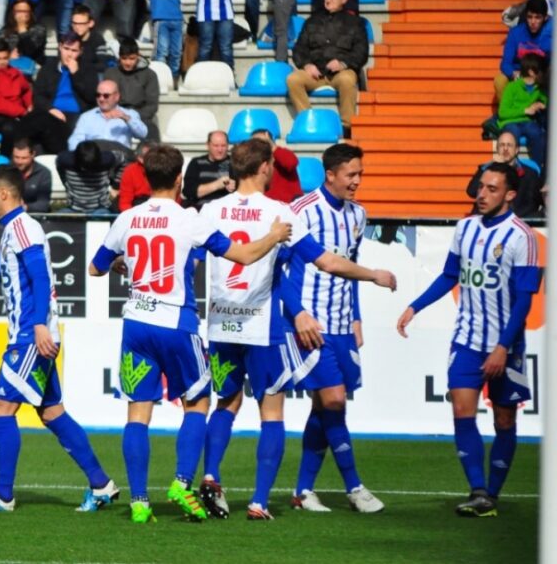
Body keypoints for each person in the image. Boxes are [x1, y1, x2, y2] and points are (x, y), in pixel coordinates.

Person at [88, 144, 294, 523]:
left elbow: (95, 269)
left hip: (136, 324)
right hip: (176, 325)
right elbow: (245, 256)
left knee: (137, 412)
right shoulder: (191, 219)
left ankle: (138, 502)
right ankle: (182, 482)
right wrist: (274, 235)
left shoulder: (127, 219)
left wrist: (124, 262)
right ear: (180, 179)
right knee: (198, 403)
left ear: (146, 177)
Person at [199, 139, 396, 519]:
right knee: (271, 414)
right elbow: (326, 262)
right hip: (262, 325)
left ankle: (211, 477)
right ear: (263, 167)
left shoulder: (211, 209)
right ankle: (258, 501)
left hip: (222, 322)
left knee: (226, 403)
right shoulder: (281, 212)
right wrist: (373, 275)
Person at [0, 164, 119, 513]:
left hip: (29, 336)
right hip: (32, 334)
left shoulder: (24, 228)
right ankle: (102, 485)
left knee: (1, 408)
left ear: (3, 194)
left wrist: (38, 325)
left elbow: (39, 278)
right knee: (52, 413)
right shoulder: (13, 230)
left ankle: (3, 497)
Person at [397, 162, 539, 518]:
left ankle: (492, 491)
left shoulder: (522, 236)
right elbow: (449, 276)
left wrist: (503, 348)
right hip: (466, 340)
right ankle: (478, 491)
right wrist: (415, 306)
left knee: (504, 421)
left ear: (509, 195)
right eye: (480, 187)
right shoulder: (464, 228)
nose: (482, 194)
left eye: (492, 189)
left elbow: (523, 299)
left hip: (506, 346)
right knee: (462, 410)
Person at [287, 143, 385, 514]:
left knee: (325, 408)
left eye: (360, 174)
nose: (357, 181)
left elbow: (350, 266)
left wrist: (356, 315)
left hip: (344, 324)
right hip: (312, 324)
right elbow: (280, 270)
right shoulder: (301, 212)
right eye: (351, 174)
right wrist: (297, 312)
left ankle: (303, 490)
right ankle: (354, 487)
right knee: (334, 401)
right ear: (330, 174)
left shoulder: (359, 215)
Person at [286, 0, 368, 138]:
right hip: (316, 73)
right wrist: (307, 64)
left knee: (347, 80)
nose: (328, 0)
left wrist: (343, 63)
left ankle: (347, 128)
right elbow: (299, 49)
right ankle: (309, 120)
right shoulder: (312, 22)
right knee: (293, 79)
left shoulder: (355, 23)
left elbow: (361, 53)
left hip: (341, 72)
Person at [18, 32, 98, 156]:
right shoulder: (48, 68)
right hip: (51, 113)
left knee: (38, 121)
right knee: (35, 118)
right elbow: (37, 96)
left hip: (75, 117)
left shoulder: (88, 69)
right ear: (60, 47)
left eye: (74, 50)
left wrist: (76, 74)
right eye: (66, 49)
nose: (69, 54)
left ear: (81, 51)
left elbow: (91, 97)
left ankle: (16, 154)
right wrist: (51, 109)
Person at [466, 132, 543, 219]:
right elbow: (471, 192)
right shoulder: (486, 169)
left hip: (519, 223)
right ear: (497, 149)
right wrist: (490, 166)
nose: (505, 149)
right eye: (502, 145)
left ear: (516, 149)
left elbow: (539, 201)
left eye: (509, 145)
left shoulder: (530, 174)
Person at [496, 53, 548, 174]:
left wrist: (541, 104)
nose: (543, 75)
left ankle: (536, 170)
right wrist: (524, 110)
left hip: (527, 122)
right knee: (513, 134)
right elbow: (503, 113)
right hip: (510, 122)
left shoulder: (538, 89)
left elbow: (545, 100)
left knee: (537, 134)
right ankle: (511, 169)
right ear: (531, 72)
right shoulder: (512, 87)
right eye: (540, 71)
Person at [495, 0, 552, 103]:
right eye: (529, 17)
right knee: (499, 81)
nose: (533, 22)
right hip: (519, 75)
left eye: (537, 17)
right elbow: (505, 63)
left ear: (545, 18)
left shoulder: (550, 34)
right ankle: (508, 115)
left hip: (542, 77)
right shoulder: (516, 32)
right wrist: (514, 73)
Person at [67, 79, 148, 151]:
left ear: (116, 96)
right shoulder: (86, 117)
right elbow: (75, 140)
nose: (101, 99)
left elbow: (143, 134)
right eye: (98, 95)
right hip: (94, 157)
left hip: (119, 157)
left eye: (106, 96)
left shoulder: (129, 114)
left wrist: (127, 119)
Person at [105, 37, 160, 141]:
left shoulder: (150, 75)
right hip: (115, 116)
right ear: (119, 57)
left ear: (138, 56)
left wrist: (132, 117)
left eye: (132, 58)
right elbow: (105, 99)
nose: (128, 62)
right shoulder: (110, 73)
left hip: (142, 117)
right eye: (124, 58)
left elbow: (152, 105)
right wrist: (118, 114)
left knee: (152, 133)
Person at [56, 140, 121, 214]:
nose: (87, 171)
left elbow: (123, 160)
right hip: (74, 207)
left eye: (91, 167)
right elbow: (59, 166)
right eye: (84, 167)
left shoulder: (107, 159)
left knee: (102, 216)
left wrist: (116, 185)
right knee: (59, 217)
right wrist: (65, 182)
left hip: (100, 208)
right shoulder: (65, 160)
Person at [182, 130, 233, 209]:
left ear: (228, 146)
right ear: (208, 145)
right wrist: (217, 185)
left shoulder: (234, 163)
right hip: (201, 209)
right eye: (216, 146)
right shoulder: (196, 163)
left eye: (223, 146)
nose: (220, 150)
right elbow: (188, 192)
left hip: (226, 211)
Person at [251, 128, 301, 202]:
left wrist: (273, 147)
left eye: (262, 142)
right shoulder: (251, 162)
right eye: (254, 143)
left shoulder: (281, 155)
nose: (258, 146)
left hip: (288, 206)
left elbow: (291, 163)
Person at [0, 0, 48, 66]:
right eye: (19, 11)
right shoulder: (5, 30)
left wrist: (22, 29)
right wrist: (8, 57)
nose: (22, 14)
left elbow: (30, 52)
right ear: (13, 13)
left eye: (25, 11)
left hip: (33, 66)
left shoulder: (39, 29)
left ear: (30, 13)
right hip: (10, 65)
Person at [69, 5, 115, 74]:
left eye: (81, 23)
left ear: (90, 23)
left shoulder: (97, 40)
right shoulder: (69, 39)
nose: (77, 27)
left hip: (92, 75)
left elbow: (103, 65)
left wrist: (80, 67)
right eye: (74, 23)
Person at [11, 137, 52, 212]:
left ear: (33, 154)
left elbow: (43, 204)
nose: (19, 162)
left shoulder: (43, 173)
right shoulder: (8, 171)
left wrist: (24, 207)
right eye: (16, 157)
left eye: (24, 158)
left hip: (35, 216)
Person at [117, 140, 152, 211]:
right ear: (140, 158)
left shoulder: (164, 169)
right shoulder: (130, 171)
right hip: (137, 206)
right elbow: (125, 203)